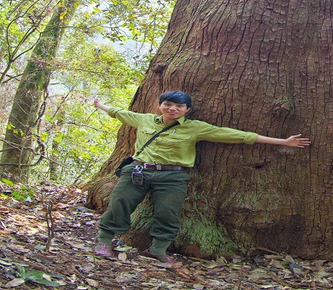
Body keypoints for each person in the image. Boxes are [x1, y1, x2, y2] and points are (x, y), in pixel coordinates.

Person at [92, 90, 310, 268]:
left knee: (169, 212)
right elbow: (118, 112)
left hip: (172, 176)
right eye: (168, 104)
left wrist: (282, 141)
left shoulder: (195, 127)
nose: (173, 109)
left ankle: (157, 250)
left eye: (179, 106)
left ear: (187, 110)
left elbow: (235, 135)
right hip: (138, 171)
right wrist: (100, 105)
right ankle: (104, 242)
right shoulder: (145, 120)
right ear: (160, 105)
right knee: (119, 203)